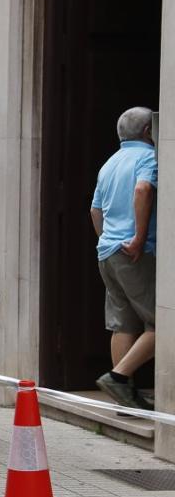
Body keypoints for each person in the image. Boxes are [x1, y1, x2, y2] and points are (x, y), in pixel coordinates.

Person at [90, 106, 158, 409]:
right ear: (148, 131)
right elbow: (143, 189)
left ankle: (125, 400)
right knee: (163, 324)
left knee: (123, 324)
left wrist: (107, 239)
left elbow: (95, 210)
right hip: (135, 253)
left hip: (108, 252)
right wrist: (138, 238)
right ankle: (118, 378)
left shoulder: (110, 163)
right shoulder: (148, 157)